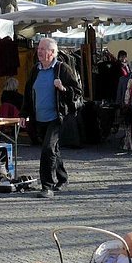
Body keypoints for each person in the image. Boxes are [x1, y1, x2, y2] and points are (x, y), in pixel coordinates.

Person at [22, 37, 83, 199]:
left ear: (52, 52)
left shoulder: (63, 69)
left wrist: (62, 88)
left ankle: (46, 186)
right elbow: (28, 93)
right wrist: (23, 113)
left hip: (57, 117)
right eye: (39, 49)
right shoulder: (36, 69)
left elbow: (77, 92)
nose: (39, 52)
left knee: (47, 149)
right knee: (53, 149)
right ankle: (62, 178)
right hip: (39, 118)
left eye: (43, 49)